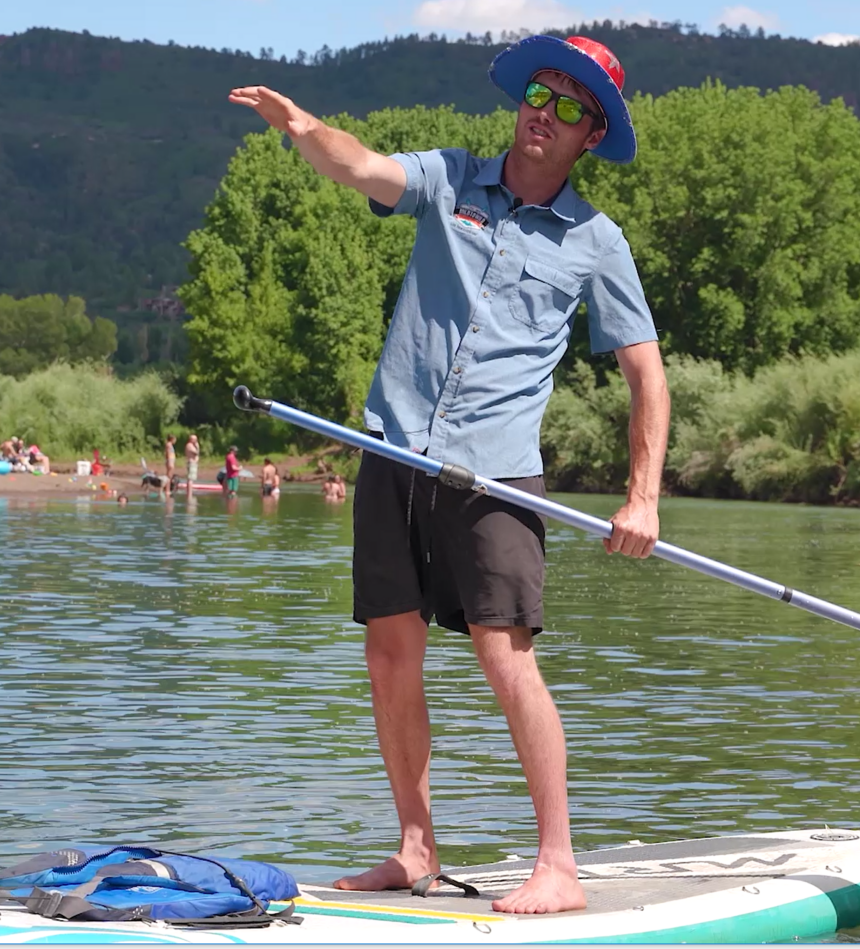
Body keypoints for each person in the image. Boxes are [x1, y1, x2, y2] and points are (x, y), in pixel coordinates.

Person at [231, 33, 668, 915]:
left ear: (592, 136)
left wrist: (644, 495)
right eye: (539, 94)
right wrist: (303, 126)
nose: (546, 112)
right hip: (394, 449)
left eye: (572, 106)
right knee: (389, 652)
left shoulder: (596, 240)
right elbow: (364, 170)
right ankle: (416, 849)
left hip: (495, 474)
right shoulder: (452, 177)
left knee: (506, 659)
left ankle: (559, 865)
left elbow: (645, 372)